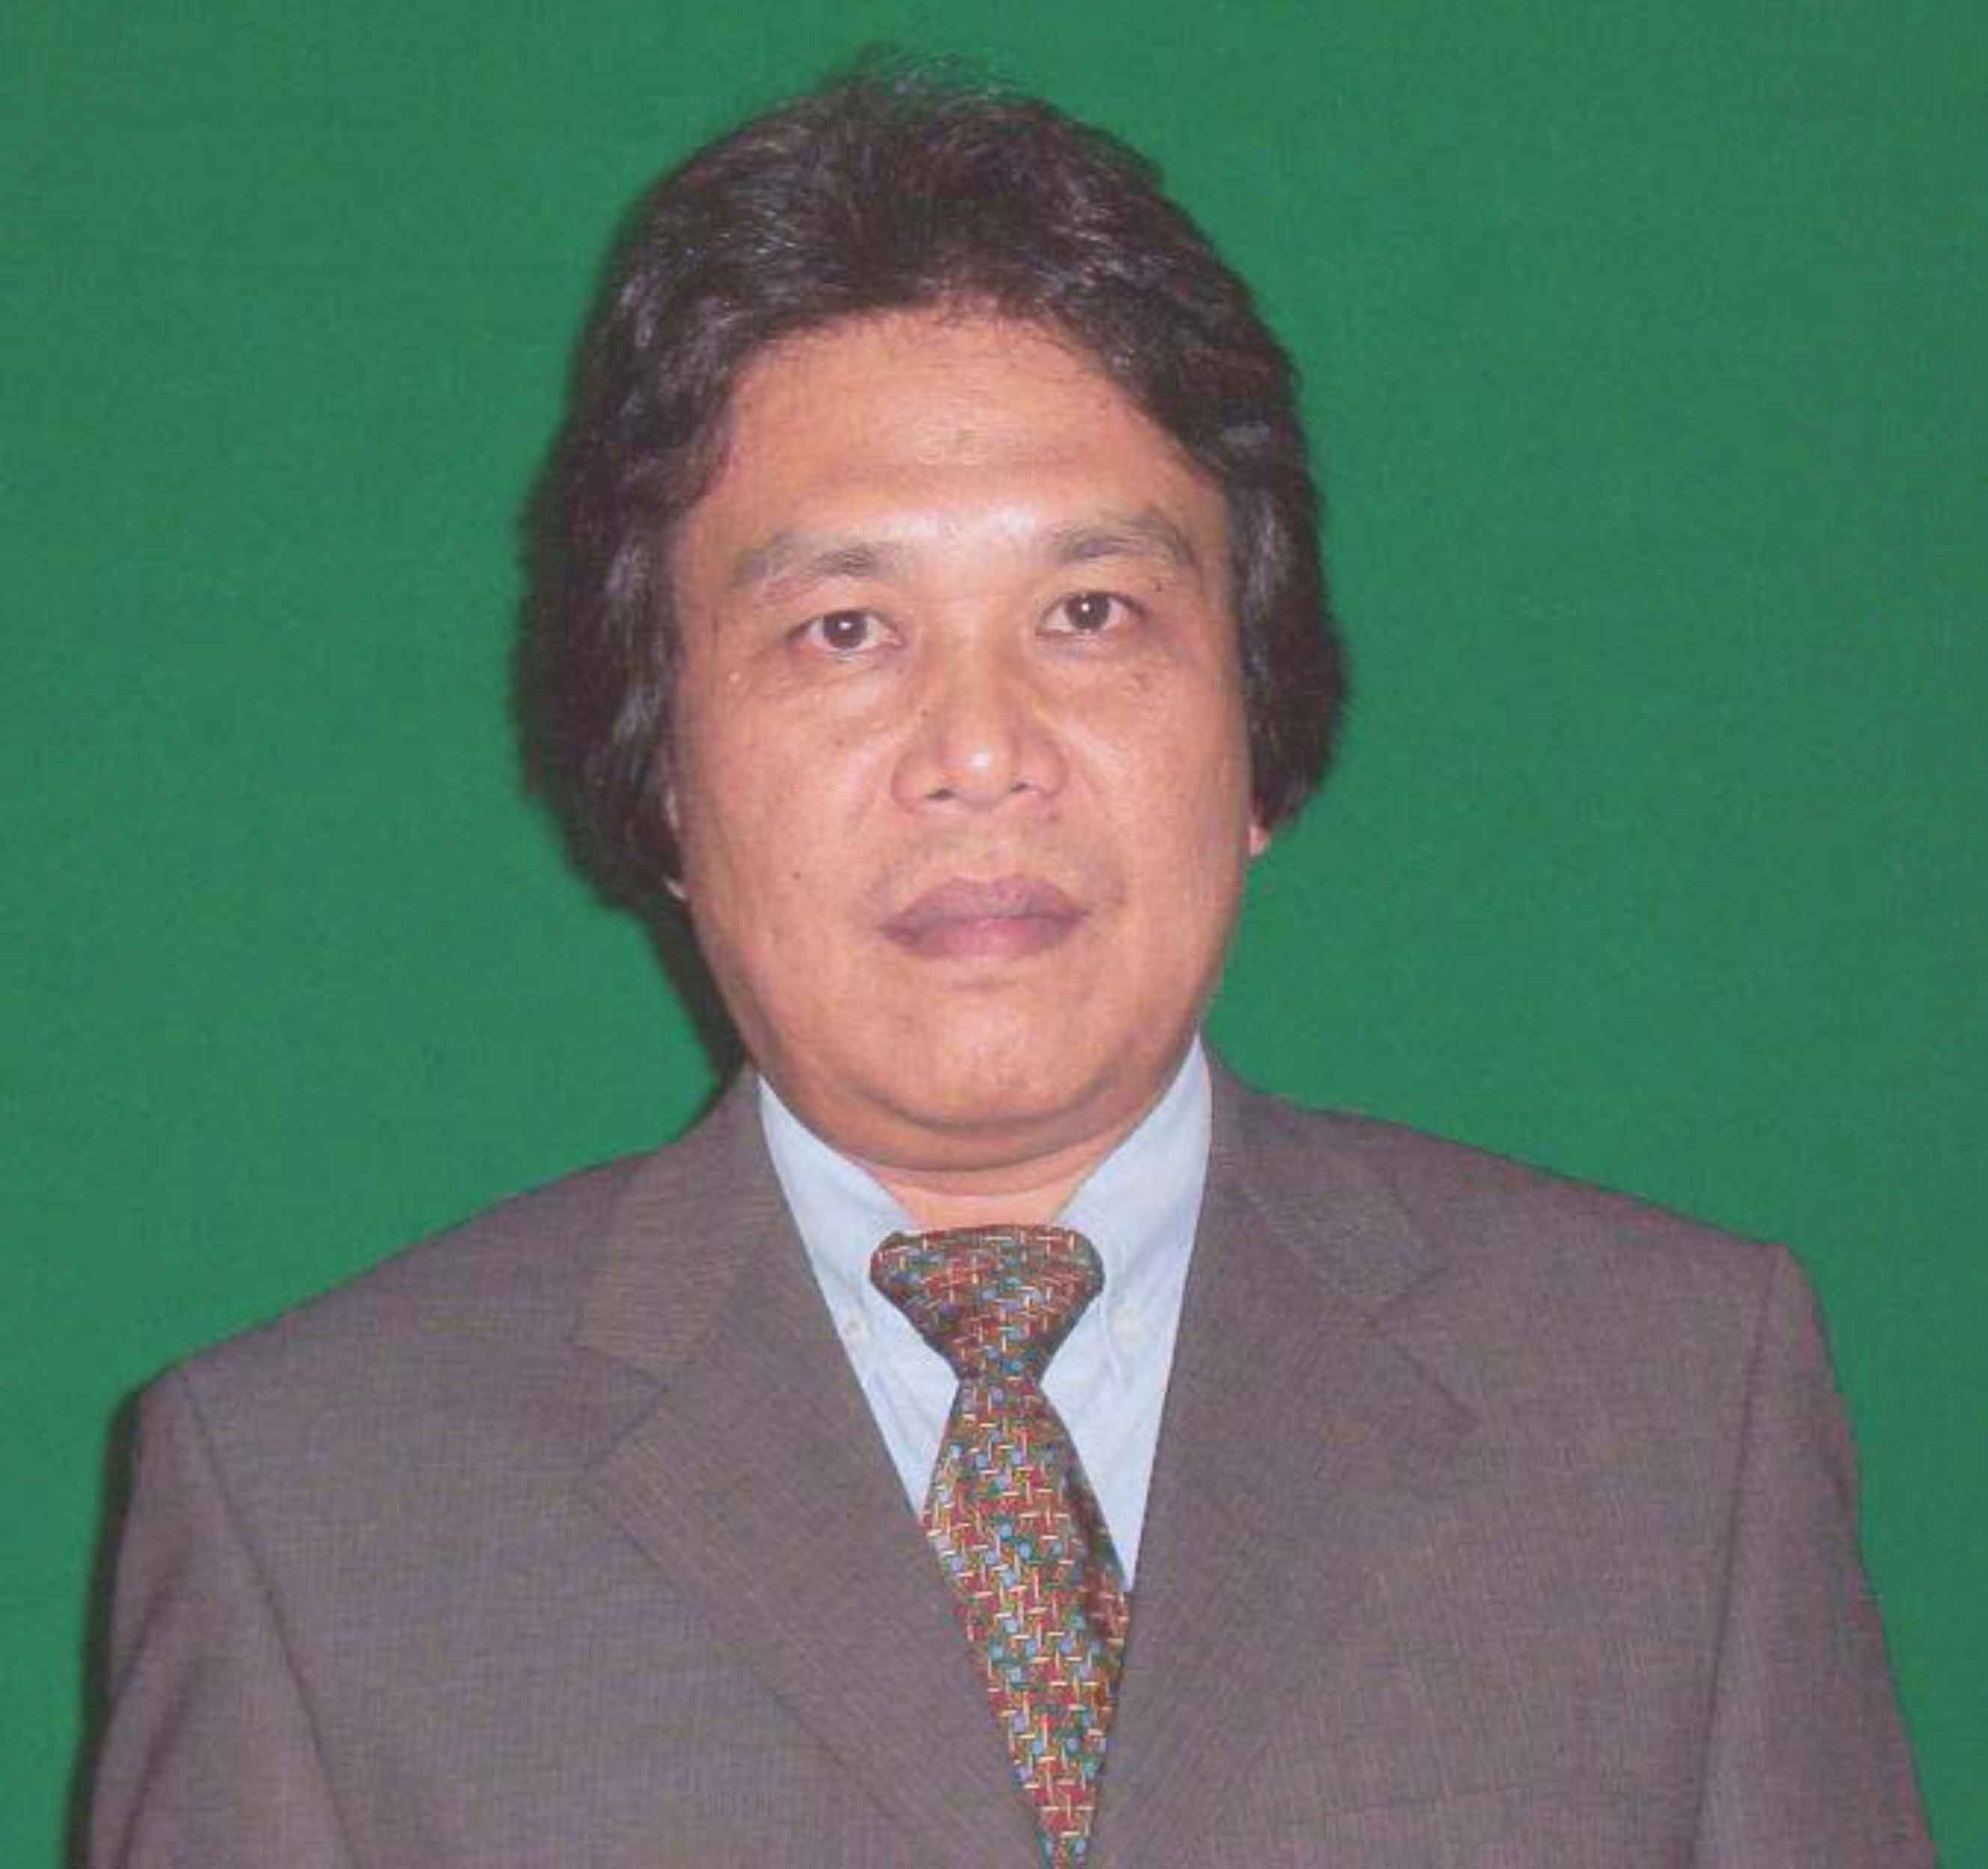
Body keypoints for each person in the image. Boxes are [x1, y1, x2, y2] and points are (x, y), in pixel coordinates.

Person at [90, 67, 1930, 1868]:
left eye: (1089, 613)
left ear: (1259, 731)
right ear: (660, 779)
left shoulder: (1671, 1414)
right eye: (844, 630)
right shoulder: (313, 1513)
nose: (981, 751)